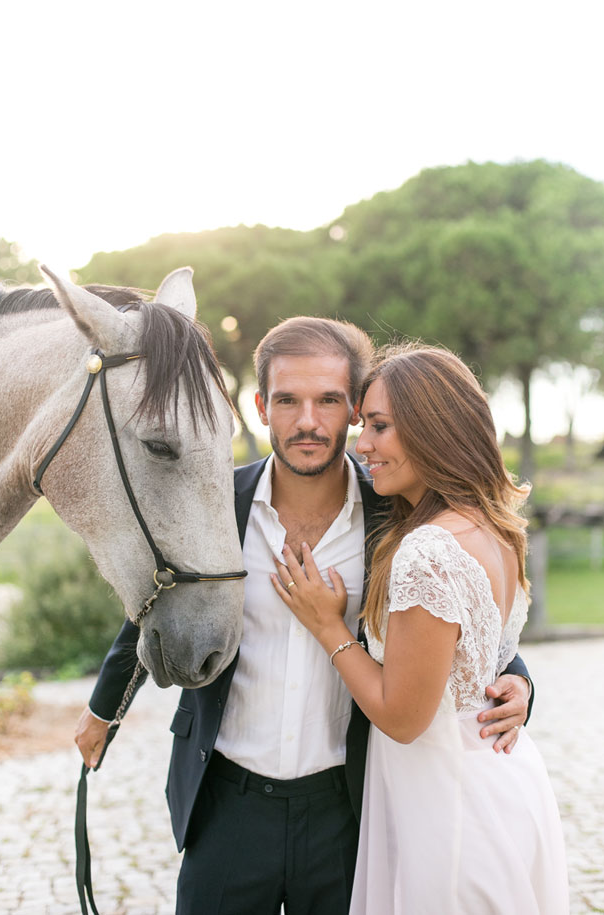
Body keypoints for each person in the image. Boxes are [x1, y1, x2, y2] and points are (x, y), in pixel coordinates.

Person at [75, 321, 533, 915]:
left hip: (351, 812)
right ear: (262, 406)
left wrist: (519, 681)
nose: (308, 421)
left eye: (329, 401)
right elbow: (154, 603)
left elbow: (458, 618)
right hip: (227, 802)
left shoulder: (398, 519)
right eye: (288, 400)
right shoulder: (218, 506)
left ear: (353, 411)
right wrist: (102, 710)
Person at [272, 342, 568, 914]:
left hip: (448, 809)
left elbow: (403, 717)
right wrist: (520, 684)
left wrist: (325, 624)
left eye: (380, 427)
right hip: (498, 784)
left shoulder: (428, 551)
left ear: (432, 427)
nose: (363, 445)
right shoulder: (494, 527)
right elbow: (477, 658)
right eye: (365, 426)